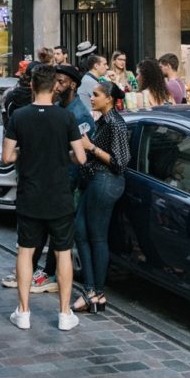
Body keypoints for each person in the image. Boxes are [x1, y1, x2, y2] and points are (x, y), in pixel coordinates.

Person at [2, 65, 87, 332]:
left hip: (30, 193)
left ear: (32, 86)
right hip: (59, 194)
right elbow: (81, 157)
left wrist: (27, 154)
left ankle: (24, 312)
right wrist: (63, 155)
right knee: (62, 253)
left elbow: (7, 157)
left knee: (25, 251)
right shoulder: (65, 118)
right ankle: (64, 314)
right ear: (54, 87)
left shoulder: (19, 116)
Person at [73, 82, 129, 313]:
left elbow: (120, 162)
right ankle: (92, 292)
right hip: (98, 181)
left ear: (108, 99)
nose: (92, 98)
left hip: (105, 181)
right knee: (82, 232)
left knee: (95, 237)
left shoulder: (116, 123)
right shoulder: (105, 121)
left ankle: (95, 292)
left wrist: (90, 147)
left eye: (96, 95)